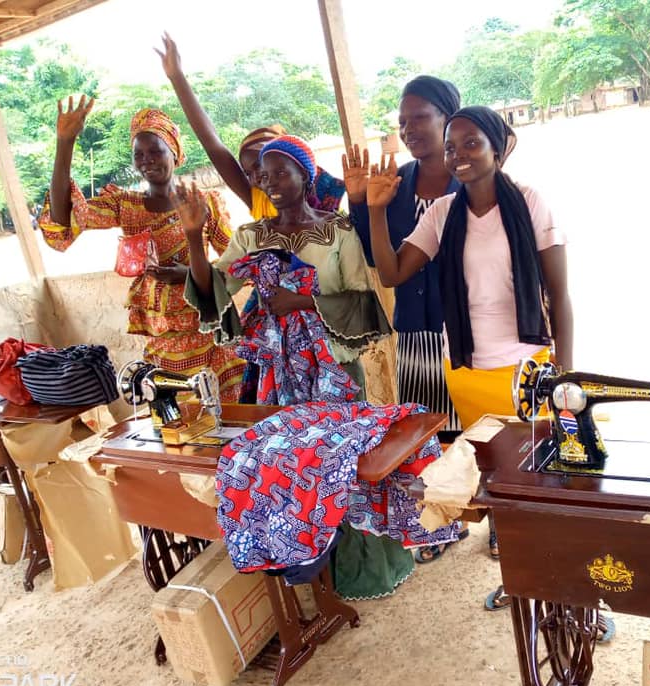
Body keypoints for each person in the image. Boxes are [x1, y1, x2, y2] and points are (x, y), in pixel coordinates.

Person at [178, 135, 420, 601]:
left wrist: (304, 300)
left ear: (305, 175)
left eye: (279, 171)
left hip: (334, 368)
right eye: (261, 175)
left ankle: (361, 571)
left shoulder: (338, 232)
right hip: (276, 372)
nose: (268, 181)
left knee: (345, 466)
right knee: (288, 468)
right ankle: (305, 568)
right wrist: (193, 236)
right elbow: (214, 290)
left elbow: (363, 301)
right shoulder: (250, 237)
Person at [365, 106, 581, 621]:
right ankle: (525, 583)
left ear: (498, 147)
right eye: (450, 148)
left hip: (528, 370)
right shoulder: (442, 213)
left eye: (470, 144)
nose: (458, 156)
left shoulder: (529, 202)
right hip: (467, 371)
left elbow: (560, 294)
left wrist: (566, 378)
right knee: (502, 493)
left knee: (548, 489)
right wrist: (375, 209)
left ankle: (568, 594)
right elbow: (393, 273)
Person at [37, 97, 245, 400]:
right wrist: (65, 143)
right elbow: (61, 220)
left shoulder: (204, 202)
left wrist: (187, 274)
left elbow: (238, 267)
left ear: (174, 152)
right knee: (175, 427)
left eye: (155, 151)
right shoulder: (125, 206)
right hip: (160, 342)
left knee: (225, 419)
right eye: (139, 154)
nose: (147, 160)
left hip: (210, 337)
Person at [343, 75, 471, 564]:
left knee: (485, 425)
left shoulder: (475, 181)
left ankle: (500, 517)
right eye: (403, 121)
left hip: (471, 324)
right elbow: (376, 256)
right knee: (431, 428)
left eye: (421, 117)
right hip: (418, 323)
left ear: (447, 119)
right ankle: (443, 520)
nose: (410, 128)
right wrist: (360, 201)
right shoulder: (396, 189)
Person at [157, 33, 345, 221]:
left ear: (299, 171)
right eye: (248, 173)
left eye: (259, 166)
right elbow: (213, 145)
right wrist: (177, 77)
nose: (256, 178)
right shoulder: (260, 201)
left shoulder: (330, 205)